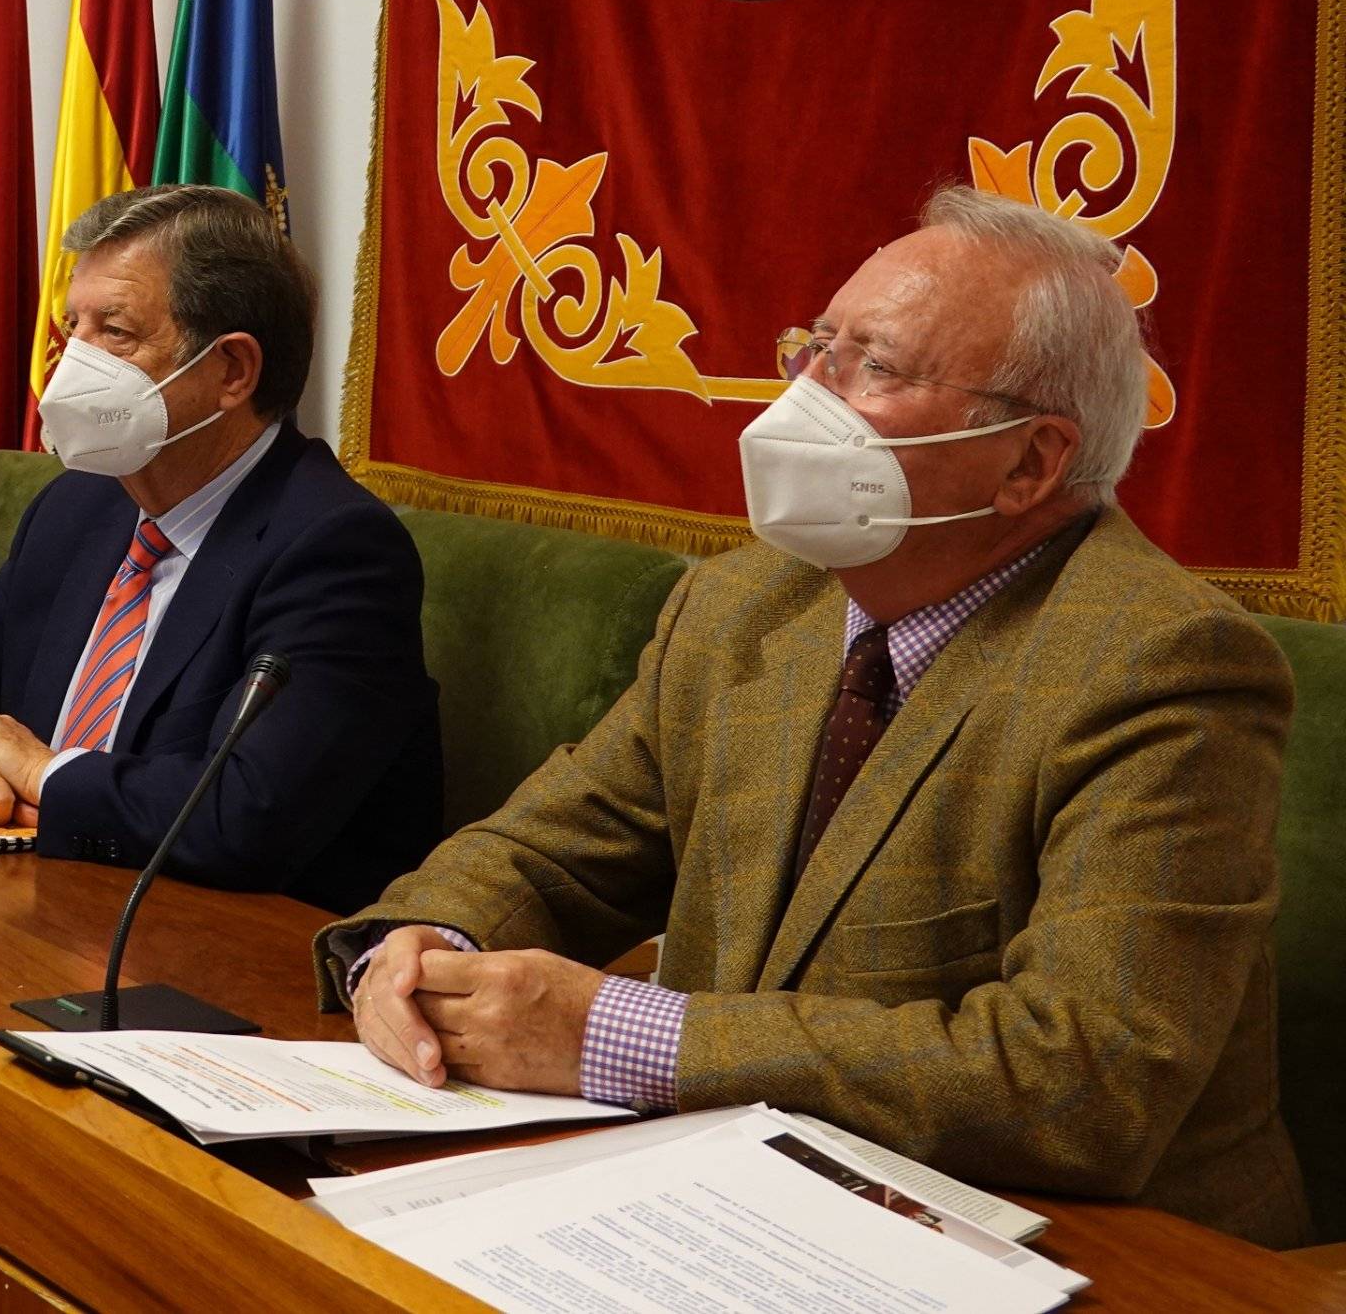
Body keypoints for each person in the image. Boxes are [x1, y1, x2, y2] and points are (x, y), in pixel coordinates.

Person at [321, 187, 1307, 1246]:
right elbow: (552, 848)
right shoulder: (745, 603)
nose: (801, 396)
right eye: (812, 348)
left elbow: (1083, 1077)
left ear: (1029, 460)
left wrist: (620, 1034)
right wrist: (417, 944)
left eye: (871, 367)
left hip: (1095, 1252)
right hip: (740, 1202)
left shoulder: (1160, 663)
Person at [0, 185, 440, 914]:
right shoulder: (80, 506)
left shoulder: (336, 550)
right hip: (24, 897)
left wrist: (43, 772)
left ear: (232, 370)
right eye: (74, 327)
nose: (73, 362)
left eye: (116, 333)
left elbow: (243, 812)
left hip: (215, 949)